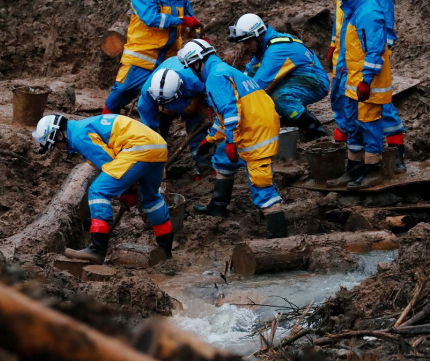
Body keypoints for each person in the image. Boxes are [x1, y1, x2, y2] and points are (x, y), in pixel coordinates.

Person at [178, 39, 287, 238]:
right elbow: (224, 117)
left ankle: (278, 236)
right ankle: (218, 206)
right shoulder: (223, 70)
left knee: (261, 184)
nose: (193, 72)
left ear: (196, 63)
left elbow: (231, 113)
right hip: (254, 124)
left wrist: (230, 141)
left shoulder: (215, 77)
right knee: (221, 158)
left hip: (255, 133)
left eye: (192, 68)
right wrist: (211, 140)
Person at [31, 114, 174, 263]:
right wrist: (130, 189)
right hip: (157, 146)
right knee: (151, 198)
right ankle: (166, 250)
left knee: (98, 190)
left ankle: (97, 249)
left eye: (54, 145)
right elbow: (120, 170)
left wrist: (127, 190)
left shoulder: (79, 136)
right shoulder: (84, 126)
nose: (58, 149)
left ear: (60, 134)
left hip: (137, 148)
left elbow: (109, 162)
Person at [328, 0, 406, 173]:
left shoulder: (369, 8)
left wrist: (373, 67)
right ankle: (354, 163)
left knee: (374, 112)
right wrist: (335, 47)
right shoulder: (349, 3)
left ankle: (393, 154)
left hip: (365, 60)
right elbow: (341, 23)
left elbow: (380, 34)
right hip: (347, 58)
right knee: (347, 108)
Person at [227, 13, 329, 140]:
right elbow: (249, 73)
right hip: (299, 76)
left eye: (247, 42)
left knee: (278, 98)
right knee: (256, 78)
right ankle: (289, 116)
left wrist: (234, 103)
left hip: (315, 82)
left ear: (258, 36)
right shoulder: (267, 44)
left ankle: (316, 131)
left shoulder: (276, 50)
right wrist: (231, 89)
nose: (246, 47)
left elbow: (258, 85)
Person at [102, 0, 202, 115]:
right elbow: (152, 18)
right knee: (121, 92)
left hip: (169, 58)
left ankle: (159, 130)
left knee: (171, 96)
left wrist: (196, 33)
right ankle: (105, 127)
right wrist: (182, 21)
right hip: (142, 56)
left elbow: (187, 25)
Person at [137, 57, 211, 177]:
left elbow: (213, 96)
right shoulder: (148, 94)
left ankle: (204, 166)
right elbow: (149, 129)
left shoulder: (195, 80)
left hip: (190, 100)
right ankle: (156, 169)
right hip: (162, 106)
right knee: (156, 135)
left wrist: (205, 108)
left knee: (197, 132)